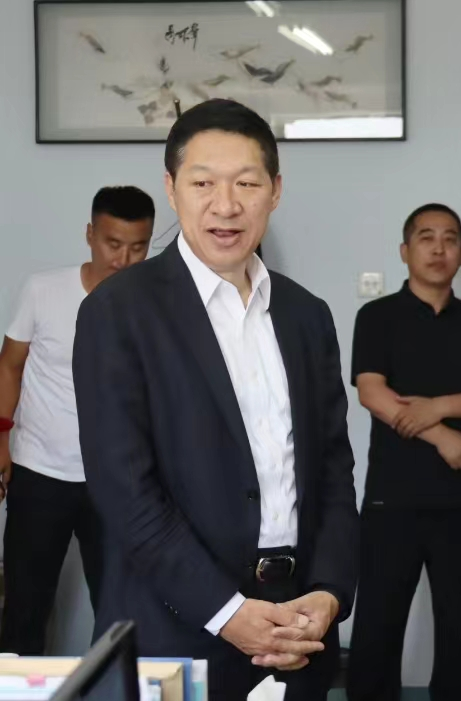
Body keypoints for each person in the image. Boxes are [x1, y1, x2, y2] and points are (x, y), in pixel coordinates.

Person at [72, 99, 359, 701]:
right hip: (174, 628)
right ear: (171, 188)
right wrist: (228, 612)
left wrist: (329, 592)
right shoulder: (119, 312)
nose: (225, 205)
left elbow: (333, 470)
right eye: (203, 183)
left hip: (298, 630)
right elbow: (125, 490)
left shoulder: (307, 315)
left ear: (275, 191)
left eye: (246, 183)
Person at [347, 203, 461, 701]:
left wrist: (434, 407)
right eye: (426, 238)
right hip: (391, 500)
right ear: (405, 251)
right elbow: (372, 392)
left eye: (450, 239)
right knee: (377, 627)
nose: (439, 248)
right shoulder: (376, 317)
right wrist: (442, 435)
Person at [0, 186, 154, 655]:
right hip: (39, 470)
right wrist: (1, 440)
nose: (123, 259)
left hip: (115, 479)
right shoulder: (43, 290)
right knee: (25, 604)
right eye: (113, 243)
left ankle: (110, 686)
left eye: (137, 247)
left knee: (120, 606)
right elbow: (9, 366)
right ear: (90, 234)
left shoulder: (153, 305)